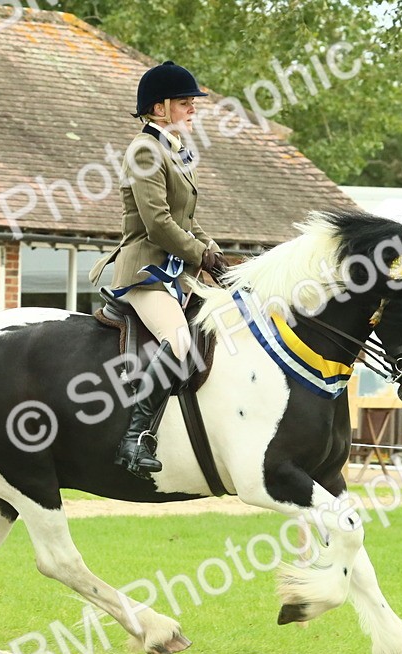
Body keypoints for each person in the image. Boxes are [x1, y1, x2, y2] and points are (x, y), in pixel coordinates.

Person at [90, 60, 230, 478]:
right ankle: (136, 439)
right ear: (158, 108)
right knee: (179, 339)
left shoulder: (173, 150)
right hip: (145, 271)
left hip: (175, 271)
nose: (193, 108)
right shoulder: (144, 150)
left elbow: (186, 220)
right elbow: (158, 223)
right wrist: (199, 256)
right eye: (185, 102)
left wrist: (214, 254)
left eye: (192, 102)